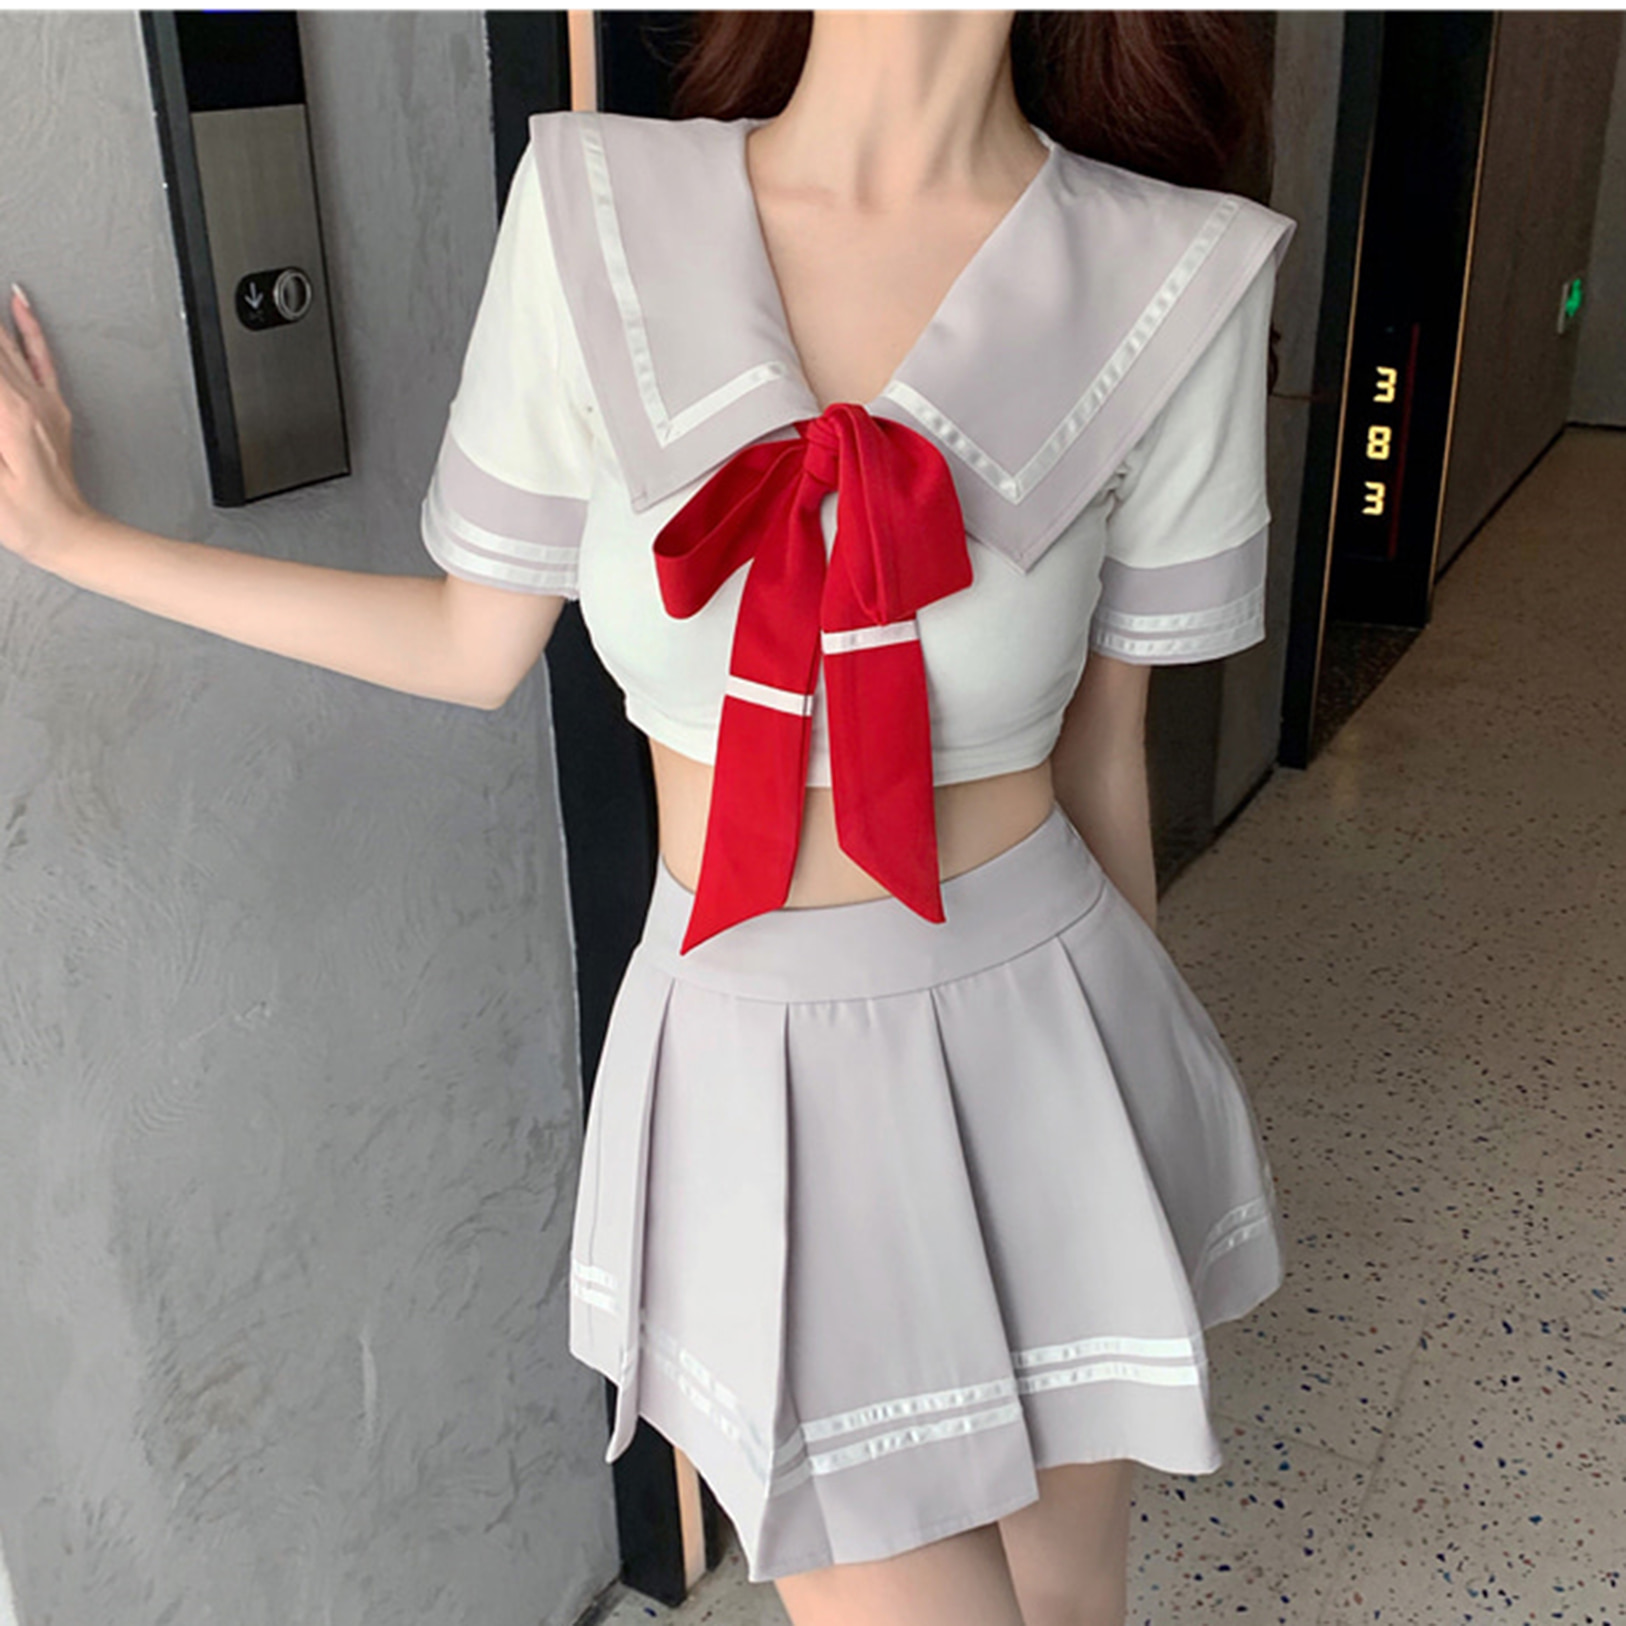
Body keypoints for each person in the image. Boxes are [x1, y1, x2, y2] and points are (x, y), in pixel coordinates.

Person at [0, 12, 1297, 1625]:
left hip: (1048, 1032)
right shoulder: (594, 214)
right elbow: (471, 643)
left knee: (1070, 1597)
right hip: (753, 1063)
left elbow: (1105, 749)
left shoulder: (1173, 275)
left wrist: (1125, 1122)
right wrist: (76, 542)